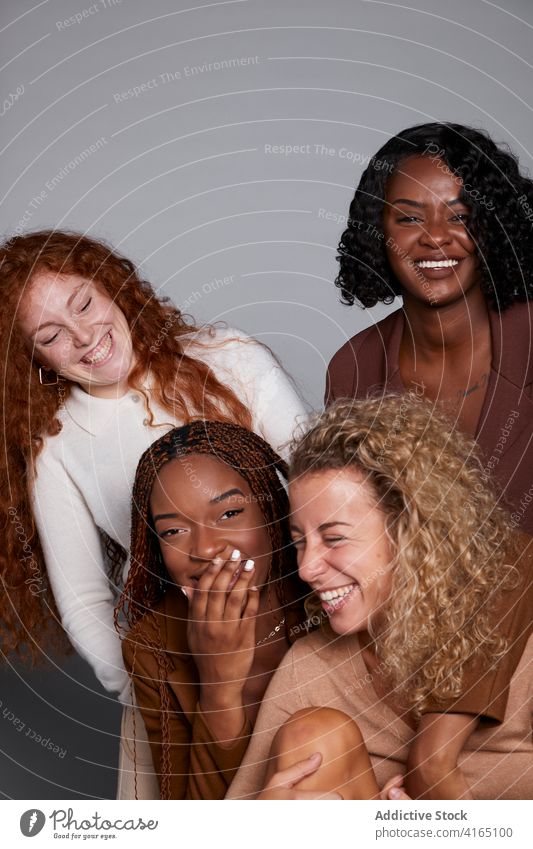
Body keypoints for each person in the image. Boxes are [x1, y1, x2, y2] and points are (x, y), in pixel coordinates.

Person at [0, 229, 306, 793]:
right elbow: (85, 598)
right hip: (177, 666)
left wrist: (318, 632)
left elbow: (315, 489)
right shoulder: (57, 446)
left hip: (300, 632)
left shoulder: (229, 357)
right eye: (51, 335)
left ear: (113, 288)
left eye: (85, 304)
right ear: (34, 358)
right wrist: (153, 685)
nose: (85, 336)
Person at [227, 396, 533, 800]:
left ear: (412, 532)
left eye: (334, 538)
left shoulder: (519, 638)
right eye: (299, 543)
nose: (306, 568)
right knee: (314, 736)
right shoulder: (311, 669)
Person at [326, 122, 533, 535]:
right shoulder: (353, 368)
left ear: (494, 228)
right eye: (409, 217)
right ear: (379, 232)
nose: (435, 237)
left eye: (459, 216)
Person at [117, 420, 309, 799]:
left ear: (271, 510)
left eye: (229, 514)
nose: (204, 549)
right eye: (172, 531)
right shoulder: (152, 646)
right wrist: (218, 688)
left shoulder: (324, 594)